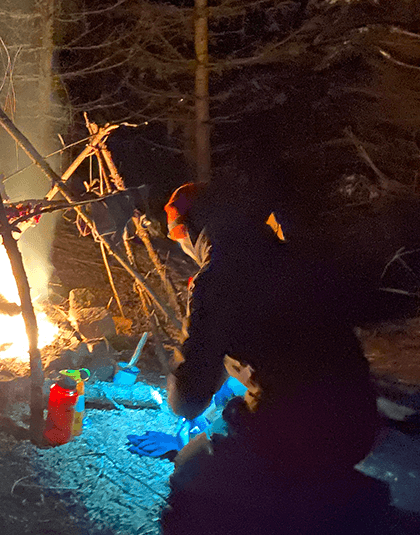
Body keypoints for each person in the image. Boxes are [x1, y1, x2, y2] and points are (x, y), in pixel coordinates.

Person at [130, 186, 384, 534]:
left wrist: (188, 373)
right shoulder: (294, 257)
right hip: (358, 423)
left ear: (191, 230)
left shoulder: (219, 277)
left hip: (300, 433)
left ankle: (300, 504)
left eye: (178, 237)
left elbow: (187, 400)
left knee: (191, 470)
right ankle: (328, 493)